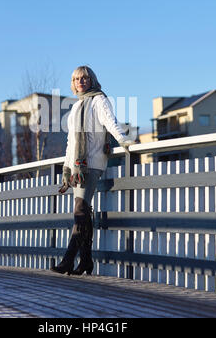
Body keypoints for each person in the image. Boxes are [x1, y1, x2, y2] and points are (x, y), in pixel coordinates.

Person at [51, 65, 132, 276]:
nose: (81, 82)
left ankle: (68, 260)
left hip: (92, 164)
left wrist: (124, 141)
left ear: (92, 80)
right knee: (83, 213)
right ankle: (86, 260)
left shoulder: (99, 101)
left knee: (80, 211)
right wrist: (67, 169)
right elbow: (71, 142)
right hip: (78, 167)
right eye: (77, 79)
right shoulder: (76, 108)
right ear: (73, 83)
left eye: (85, 78)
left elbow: (111, 123)